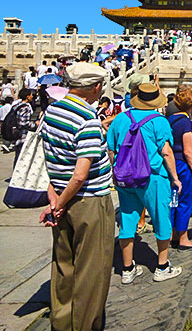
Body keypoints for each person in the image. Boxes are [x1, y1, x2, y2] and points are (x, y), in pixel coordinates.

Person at [39, 62, 114, 331]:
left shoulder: (52, 111)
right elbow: (81, 174)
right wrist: (62, 200)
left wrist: (55, 199)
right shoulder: (87, 119)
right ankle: (84, 325)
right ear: (95, 88)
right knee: (92, 271)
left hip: (59, 196)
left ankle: (61, 323)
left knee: (63, 265)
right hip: (88, 200)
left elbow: (50, 158)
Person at [107, 83, 183, 284]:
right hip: (153, 177)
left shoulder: (121, 119)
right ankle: (162, 266)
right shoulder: (159, 121)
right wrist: (175, 178)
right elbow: (166, 152)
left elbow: (112, 150)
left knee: (127, 219)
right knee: (161, 219)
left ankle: (127, 268)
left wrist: (116, 171)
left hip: (126, 177)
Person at [167, 85, 192, 249]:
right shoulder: (185, 123)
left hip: (170, 163)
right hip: (182, 164)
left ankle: (172, 233)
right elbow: (188, 151)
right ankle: (183, 237)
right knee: (185, 201)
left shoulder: (169, 120)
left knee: (173, 200)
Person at [12, 88, 37, 166]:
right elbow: (24, 123)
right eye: (30, 95)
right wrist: (35, 124)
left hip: (16, 134)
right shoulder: (25, 107)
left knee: (18, 157)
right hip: (22, 136)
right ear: (27, 96)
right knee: (21, 158)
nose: (32, 96)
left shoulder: (16, 105)